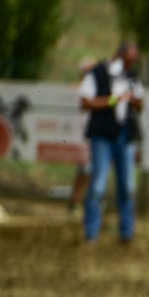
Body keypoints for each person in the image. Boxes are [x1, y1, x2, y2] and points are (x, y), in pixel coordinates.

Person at [78, 42, 144, 243]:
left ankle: (127, 233)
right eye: (128, 61)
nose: (130, 65)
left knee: (128, 186)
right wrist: (115, 100)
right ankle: (91, 233)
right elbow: (85, 101)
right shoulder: (97, 72)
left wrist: (135, 101)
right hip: (102, 136)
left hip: (126, 135)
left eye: (133, 62)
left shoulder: (132, 76)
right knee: (98, 185)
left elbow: (140, 104)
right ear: (119, 55)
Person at [68, 56, 97, 215]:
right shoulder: (79, 89)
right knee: (85, 170)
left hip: (90, 135)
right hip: (81, 135)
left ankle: (80, 201)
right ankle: (76, 201)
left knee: (88, 171)